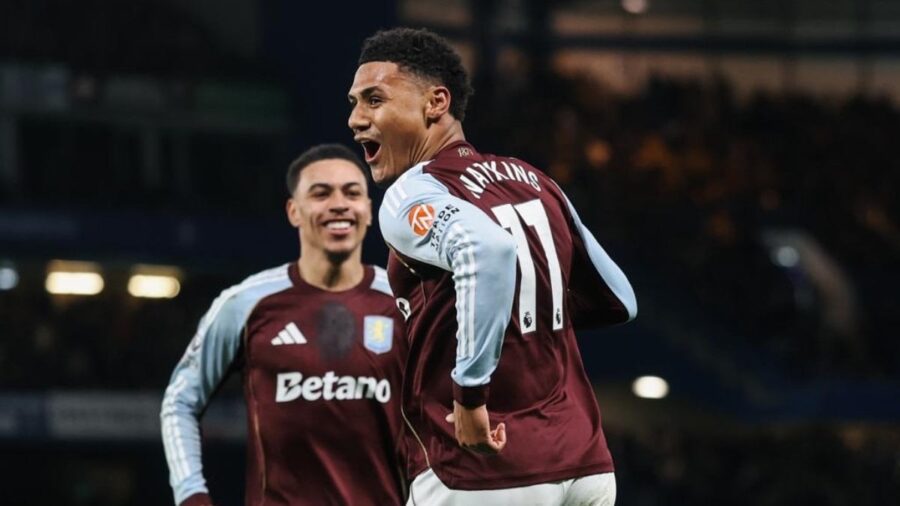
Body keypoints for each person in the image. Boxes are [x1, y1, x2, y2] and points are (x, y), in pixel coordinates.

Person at [347, 28, 637, 505]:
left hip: (484, 468)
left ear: (436, 103)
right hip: (584, 462)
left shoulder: (414, 192)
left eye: (374, 100)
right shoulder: (537, 181)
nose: (356, 119)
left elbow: (486, 251)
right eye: (354, 103)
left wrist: (470, 394)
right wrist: (526, 313)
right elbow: (620, 298)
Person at [160, 144, 407, 506]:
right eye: (321, 194)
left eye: (352, 193)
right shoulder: (246, 303)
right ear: (294, 211)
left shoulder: (403, 301)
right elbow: (180, 401)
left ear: (369, 210)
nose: (339, 204)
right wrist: (191, 494)